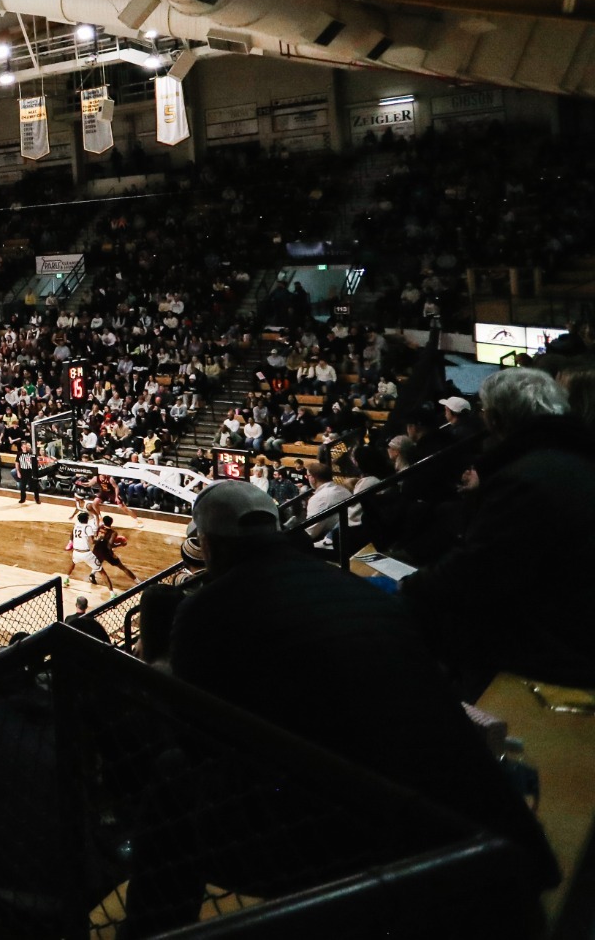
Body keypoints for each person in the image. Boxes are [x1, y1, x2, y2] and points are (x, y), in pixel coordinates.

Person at [123, 479, 558, 932]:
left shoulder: (207, 610)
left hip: (346, 834)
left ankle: (148, 931)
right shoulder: (356, 589)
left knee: (172, 774)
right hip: (473, 827)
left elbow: (193, 736)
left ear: (208, 545)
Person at [402, 368, 595, 690]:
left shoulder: (527, 476)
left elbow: (478, 570)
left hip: (554, 648)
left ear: (494, 418)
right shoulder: (570, 456)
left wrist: (409, 590)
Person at [91, 516, 136, 587]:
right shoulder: (113, 533)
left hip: (96, 549)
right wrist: (120, 544)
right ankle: (138, 582)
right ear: (111, 523)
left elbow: (94, 540)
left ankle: (92, 574)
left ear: (103, 521)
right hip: (106, 552)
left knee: (99, 561)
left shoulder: (99, 527)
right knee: (122, 567)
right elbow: (109, 545)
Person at [68, 510, 101, 586]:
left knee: (72, 564)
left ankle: (66, 578)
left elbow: (72, 535)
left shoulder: (75, 526)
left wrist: (71, 542)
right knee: (102, 571)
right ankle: (112, 592)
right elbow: (92, 542)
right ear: (87, 519)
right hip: (86, 553)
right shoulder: (88, 527)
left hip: (76, 551)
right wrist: (100, 540)